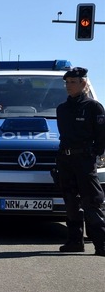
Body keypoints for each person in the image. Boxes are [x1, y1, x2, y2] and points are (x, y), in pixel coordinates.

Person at [55, 67, 105, 257]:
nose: (68, 86)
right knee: (70, 202)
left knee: (92, 201)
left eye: (73, 82)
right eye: (66, 82)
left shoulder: (94, 107)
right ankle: (74, 241)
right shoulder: (62, 109)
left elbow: (102, 137)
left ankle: (101, 244)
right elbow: (63, 137)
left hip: (85, 160)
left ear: (83, 83)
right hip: (66, 160)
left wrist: (94, 155)